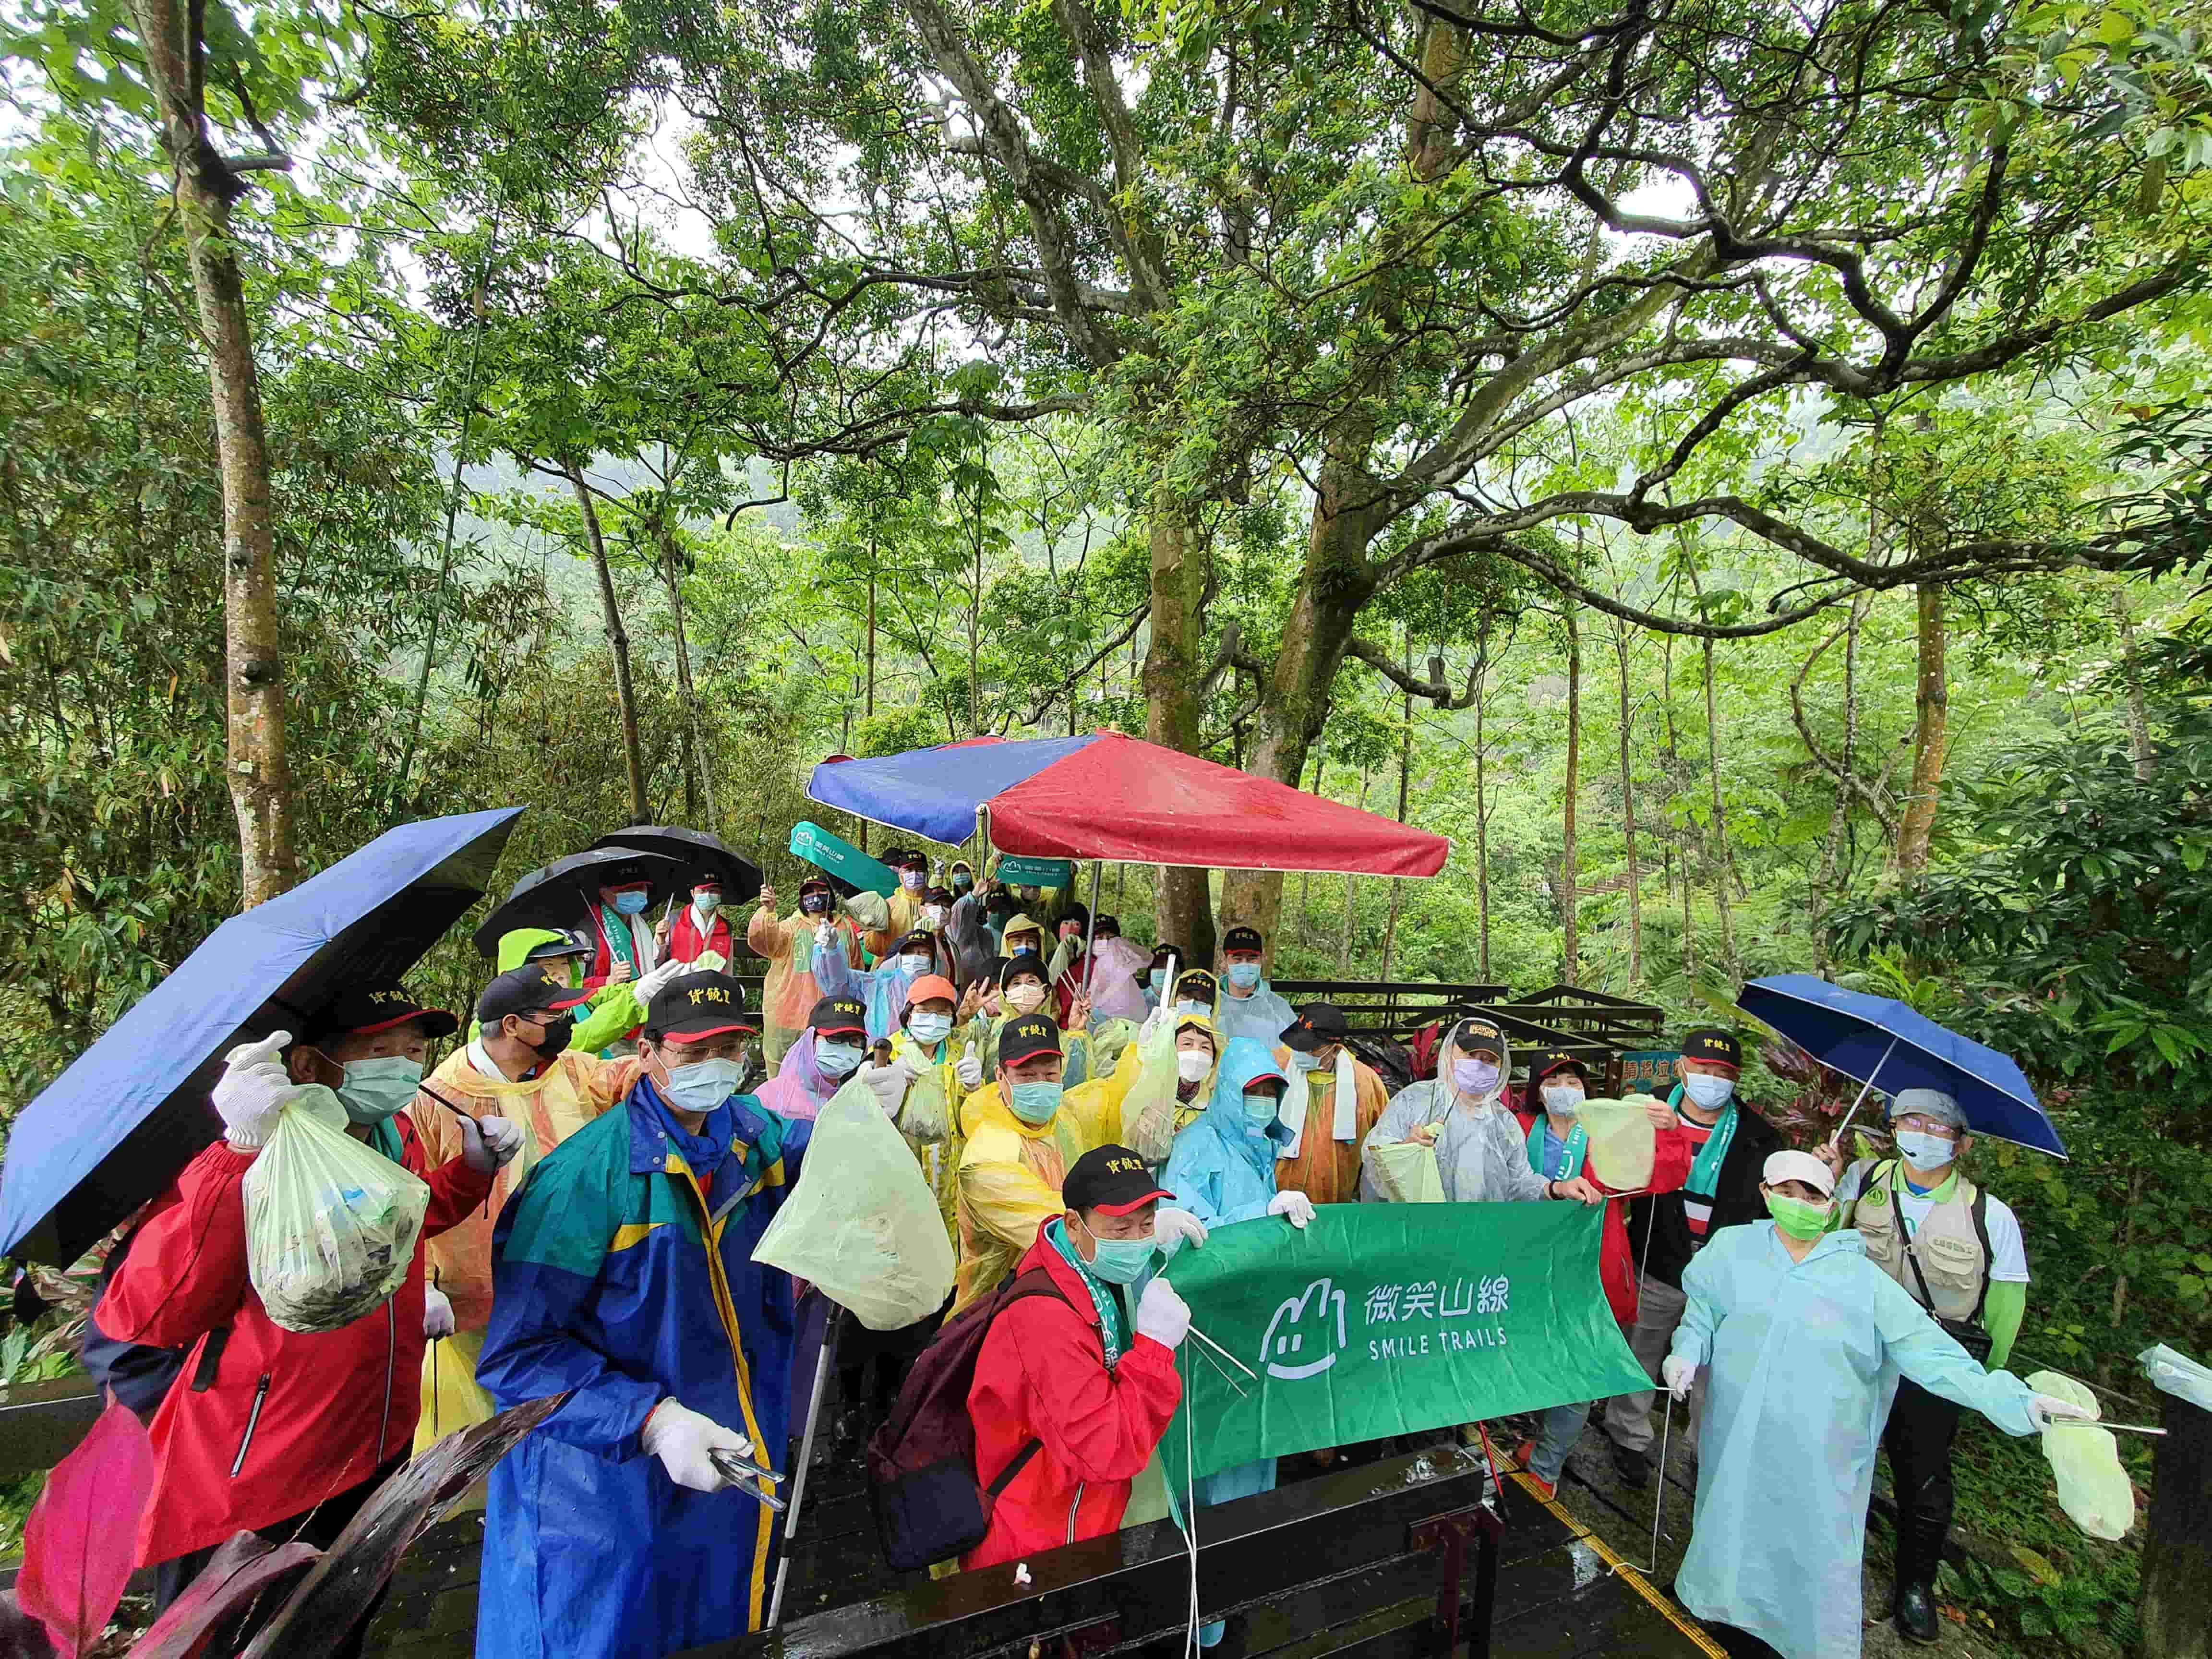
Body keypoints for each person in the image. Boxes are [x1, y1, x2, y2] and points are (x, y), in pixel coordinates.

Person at [99, 987, 521, 1658]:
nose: (404, 1067)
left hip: (370, 1451)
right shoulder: (253, 1162)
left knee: (338, 1635)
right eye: (379, 1051)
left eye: (415, 1050)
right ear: (308, 1066)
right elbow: (144, 1312)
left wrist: (469, 1173)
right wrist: (239, 1152)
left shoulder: (386, 1137)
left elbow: (385, 1230)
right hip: (256, 1482)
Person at [476, 971, 800, 1657]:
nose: (715, 1068)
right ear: (647, 1050)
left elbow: (810, 1151)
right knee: (596, 1633)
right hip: (596, 1487)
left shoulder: (749, 1136)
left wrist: (862, 1120)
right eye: (692, 1052)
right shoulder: (584, 1181)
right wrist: (650, 1420)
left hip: (724, 1455)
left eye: (732, 1050)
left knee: (715, 1622)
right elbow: (517, 1356)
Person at [1663, 1152, 2081, 1659]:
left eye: (1813, 1195)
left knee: (1808, 1546)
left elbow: (1934, 1355)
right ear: (1766, 1193)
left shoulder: (1863, 1281)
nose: (1799, 1204)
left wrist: (2019, 1401)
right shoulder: (1733, 1249)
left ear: (1831, 1204)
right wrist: (1686, 1352)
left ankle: (1793, 1639)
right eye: (1787, 1191)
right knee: (1728, 1522)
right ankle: (1716, 1610)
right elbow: (1704, 1310)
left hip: (1819, 1452)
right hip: (1737, 1432)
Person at [412, 960, 682, 1447]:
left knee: (559, 1398)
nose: (567, 1026)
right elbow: (415, 1199)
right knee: (488, 1414)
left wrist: (674, 1060)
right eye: (554, 1017)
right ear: (513, 1025)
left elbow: (618, 1079)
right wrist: (423, 1285)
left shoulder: (568, 1069)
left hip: (569, 1268)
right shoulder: (439, 1100)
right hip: (478, 1290)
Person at [1828, 1088, 2032, 1645]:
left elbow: (2005, 1308)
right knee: (1835, 1449)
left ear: (1961, 1145)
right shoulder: (1863, 1182)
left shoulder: (1991, 1216)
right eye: (1910, 1121)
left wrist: (1981, 1381)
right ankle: (1822, 1562)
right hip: (1853, 1345)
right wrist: (1823, 1179)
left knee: (1925, 1475)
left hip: (1934, 1365)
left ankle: (1916, 1586)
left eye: (1938, 1127)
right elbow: (1819, 1243)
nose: (1922, 1134)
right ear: (1893, 1127)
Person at [963, 1144, 1192, 1571]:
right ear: (1073, 1224)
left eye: (1146, 1226)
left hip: (1079, 1514)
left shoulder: (1081, 1271)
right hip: (1037, 1541)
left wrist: (1146, 1246)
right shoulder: (1044, 1322)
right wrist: (1156, 1350)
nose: (1137, 1242)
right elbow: (1106, 1449)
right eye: (1120, 1230)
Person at [1602, 1026, 1783, 1488]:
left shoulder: (1759, 1136)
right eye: (1703, 1068)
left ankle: (1705, 1452)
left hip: (1722, 1276)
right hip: (1657, 1258)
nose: (1711, 1078)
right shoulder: (1646, 1110)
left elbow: (1774, 1203)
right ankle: (1627, 1437)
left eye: (1723, 1072)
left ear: (1736, 1078)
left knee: (1714, 1370)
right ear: (1682, 1066)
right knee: (1641, 1350)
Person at [1508, 1051, 1691, 1498]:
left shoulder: (1606, 1133)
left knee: (1580, 1363)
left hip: (1590, 1265)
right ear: (1538, 1090)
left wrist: (1670, 1133)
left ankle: (1548, 1468)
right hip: (1523, 1265)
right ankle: (1541, 1442)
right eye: (1555, 1082)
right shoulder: (1517, 1128)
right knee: (1533, 1356)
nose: (1566, 1089)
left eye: (1574, 1080)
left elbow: (1660, 1176)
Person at [952, 1013, 1205, 1314]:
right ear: (1000, 1076)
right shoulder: (986, 1156)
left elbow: (1112, 1102)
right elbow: (1053, 1225)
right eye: (1027, 1076)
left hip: (1070, 1290)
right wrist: (1141, 1232)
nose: (1040, 1086)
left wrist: (1142, 1055)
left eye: (1049, 1076)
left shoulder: (1064, 1119)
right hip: (998, 1305)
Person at [1161, 1039, 1314, 1511]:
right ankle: (1203, 1539)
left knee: (1252, 1430)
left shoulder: (1260, 1145)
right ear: (1227, 1091)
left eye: (1271, 1091)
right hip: (1209, 1323)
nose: (1263, 1101)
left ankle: (1246, 1522)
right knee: (1213, 1437)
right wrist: (1261, 1214)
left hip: (1254, 1315)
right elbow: (1182, 1235)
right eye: (1253, 1091)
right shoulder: (1196, 1147)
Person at [1362, 1017, 1605, 1208]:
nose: (1480, 1064)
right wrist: (1405, 1149)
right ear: (1450, 1055)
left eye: (1490, 1060)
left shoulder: (1503, 1122)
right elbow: (1374, 1158)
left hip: (1481, 1240)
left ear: (1501, 1067)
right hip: (1420, 1234)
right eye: (1472, 1056)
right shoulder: (1415, 1101)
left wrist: (1556, 1189)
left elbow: (1519, 1182)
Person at [472, 926, 673, 1055]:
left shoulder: (572, 1005)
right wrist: (637, 999)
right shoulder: (491, 1025)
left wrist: (655, 984)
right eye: (548, 966)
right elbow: (577, 1040)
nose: (561, 974)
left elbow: (605, 994)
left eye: (565, 964)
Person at [1271, 1002, 1391, 1207]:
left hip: (1337, 1201)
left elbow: (1384, 1140)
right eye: (1298, 1045)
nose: (1301, 1052)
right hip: (1274, 1197)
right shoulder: (1275, 1066)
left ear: (1334, 1048)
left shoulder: (1364, 1082)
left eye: (1312, 1048)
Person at [747, 875, 865, 1067]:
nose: (816, 896)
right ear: (801, 900)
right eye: (809, 892)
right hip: (790, 1015)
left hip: (833, 1014)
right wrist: (767, 911)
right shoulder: (791, 927)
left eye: (821, 891)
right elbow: (764, 942)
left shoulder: (845, 928)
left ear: (831, 895)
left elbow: (857, 967)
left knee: (828, 1069)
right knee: (785, 1071)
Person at [752, 993, 869, 1127]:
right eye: (835, 1038)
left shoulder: (859, 1098)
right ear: (810, 1040)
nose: (845, 1047)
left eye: (855, 1041)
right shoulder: (772, 1095)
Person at [814, 925, 941, 1044]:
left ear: (934, 959)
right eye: (910, 953)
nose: (915, 957)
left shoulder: (942, 992)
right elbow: (838, 984)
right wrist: (831, 953)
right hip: (876, 1058)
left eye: (923, 953)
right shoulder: (878, 982)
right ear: (900, 957)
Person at [1211, 925, 1297, 1045]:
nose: (1245, 964)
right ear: (1224, 961)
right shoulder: (1209, 1002)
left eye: (1252, 959)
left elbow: (1297, 1053)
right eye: (1238, 959)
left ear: (1262, 960)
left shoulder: (1278, 1008)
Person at [582, 864, 661, 991]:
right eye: (626, 890)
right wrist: (608, 981)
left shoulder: (641, 927)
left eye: (639, 888)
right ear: (604, 893)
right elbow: (572, 984)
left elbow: (651, 966)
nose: (635, 894)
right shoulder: (586, 932)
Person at [657, 869, 735, 966]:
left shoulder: (726, 927)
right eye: (702, 891)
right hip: (678, 980)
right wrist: (661, 940)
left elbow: (728, 967)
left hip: (712, 981)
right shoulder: (674, 919)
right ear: (693, 893)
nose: (708, 895)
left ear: (720, 895)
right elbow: (657, 961)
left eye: (713, 891)